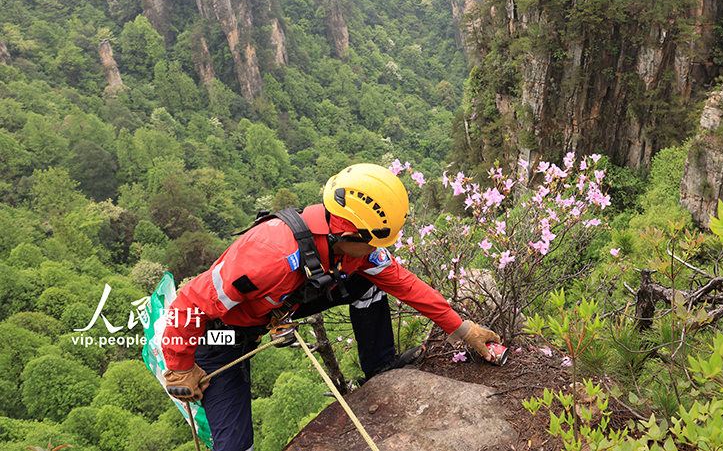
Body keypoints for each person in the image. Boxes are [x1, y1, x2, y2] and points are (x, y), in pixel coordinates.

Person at [161, 163, 500, 451]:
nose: (375, 251)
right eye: (371, 244)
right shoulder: (268, 257)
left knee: (371, 281)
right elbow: (190, 302)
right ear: (349, 234)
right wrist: (180, 366)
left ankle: (379, 365)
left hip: (273, 308)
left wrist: (463, 329)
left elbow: (404, 283)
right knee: (236, 444)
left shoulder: (346, 248)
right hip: (218, 335)